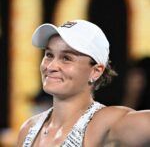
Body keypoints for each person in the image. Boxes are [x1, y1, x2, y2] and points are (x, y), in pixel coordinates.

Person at [17, 20, 150, 147]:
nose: (51, 66)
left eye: (66, 58)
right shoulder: (28, 128)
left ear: (96, 71)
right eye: (49, 55)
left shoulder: (106, 123)